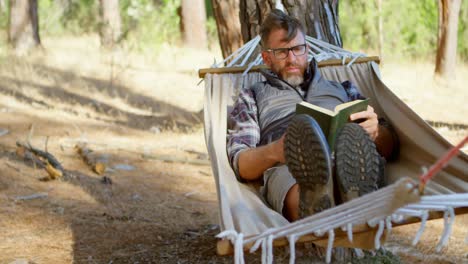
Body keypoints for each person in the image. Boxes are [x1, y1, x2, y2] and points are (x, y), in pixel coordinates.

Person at [227, 9, 398, 222]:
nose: (292, 58)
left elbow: (390, 147)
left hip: (349, 159)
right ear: (266, 58)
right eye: (282, 52)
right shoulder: (251, 97)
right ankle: (326, 198)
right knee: (292, 178)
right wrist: (274, 151)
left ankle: (347, 190)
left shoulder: (343, 89)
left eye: (298, 49)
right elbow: (240, 163)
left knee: (356, 155)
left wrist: (375, 133)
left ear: (307, 50)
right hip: (291, 168)